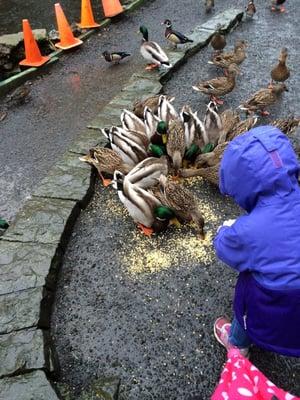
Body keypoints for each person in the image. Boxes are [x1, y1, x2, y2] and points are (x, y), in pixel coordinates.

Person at [213, 125, 300, 357]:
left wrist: (225, 229)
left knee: (248, 289)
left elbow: (224, 247)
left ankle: (238, 345)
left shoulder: (247, 231)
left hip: (274, 313)